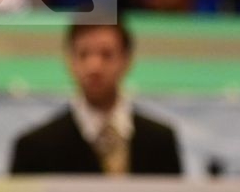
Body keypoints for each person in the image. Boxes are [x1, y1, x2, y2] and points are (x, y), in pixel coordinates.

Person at [9, 19, 182, 175]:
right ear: (69, 60)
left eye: (106, 55)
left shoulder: (161, 141)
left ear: (126, 59)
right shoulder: (35, 147)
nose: (94, 66)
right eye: (83, 54)